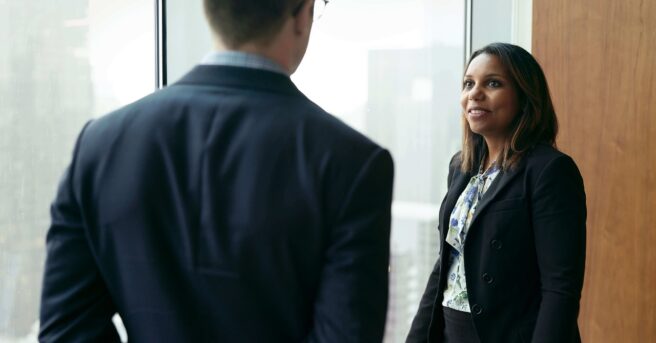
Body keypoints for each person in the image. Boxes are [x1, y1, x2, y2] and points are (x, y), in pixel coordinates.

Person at [39, 0, 394, 342]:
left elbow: (67, 332)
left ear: (210, 11)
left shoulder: (100, 146)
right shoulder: (354, 164)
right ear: (302, 14)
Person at [406, 42, 586, 343]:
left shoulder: (550, 171)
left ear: (525, 97)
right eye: (468, 84)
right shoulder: (461, 167)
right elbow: (446, 264)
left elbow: (560, 290)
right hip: (451, 333)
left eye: (493, 83)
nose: (474, 94)